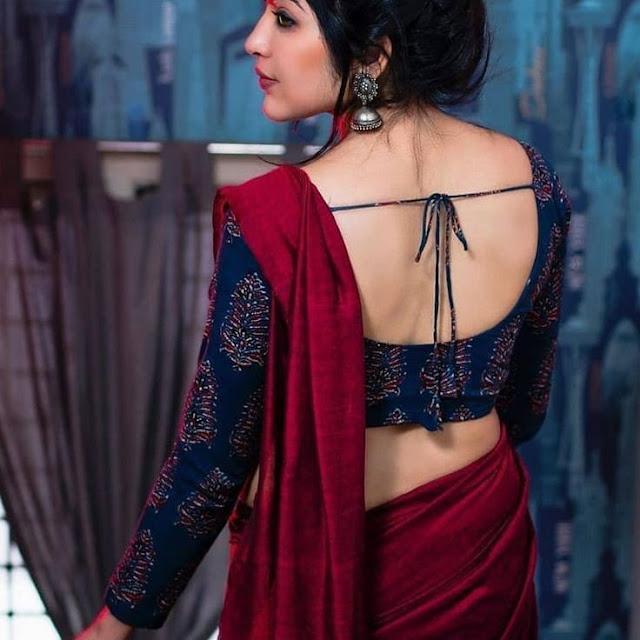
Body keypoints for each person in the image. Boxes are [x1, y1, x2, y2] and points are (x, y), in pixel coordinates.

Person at [76, 0, 571, 638]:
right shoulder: (533, 182)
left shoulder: (277, 217)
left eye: (285, 19)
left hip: (331, 567)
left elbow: (214, 458)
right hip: (481, 551)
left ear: (373, 54)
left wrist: (113, 623)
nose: (255, 41)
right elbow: (526, 407)